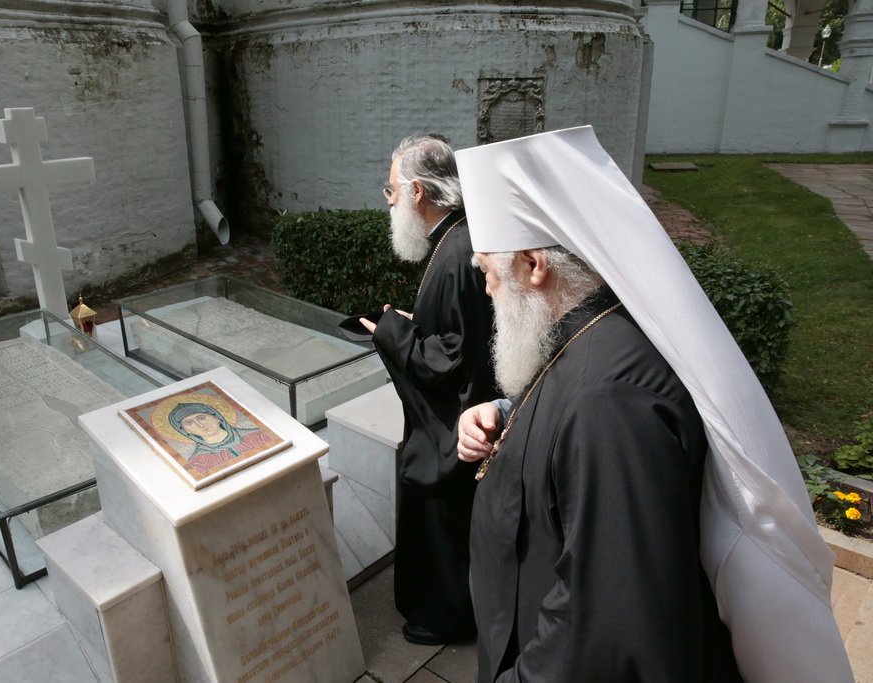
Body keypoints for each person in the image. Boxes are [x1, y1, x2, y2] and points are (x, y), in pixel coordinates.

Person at [454, 126, 853, 682]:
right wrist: (505, 413)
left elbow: (606, 624)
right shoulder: (590, 330)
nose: (487, 290)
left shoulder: (609, 402)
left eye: (487, 271)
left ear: (533, 264)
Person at [359, 134, 498, 645]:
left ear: (418, 191)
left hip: (454, 426)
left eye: (392, 190)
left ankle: (445, 618)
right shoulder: (459, 237)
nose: (389, 201)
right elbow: (460, 333)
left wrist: (391, 331)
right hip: (468, 411)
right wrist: (413, 324)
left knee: (441, 524)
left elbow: (449, 359)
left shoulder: (456, 251)